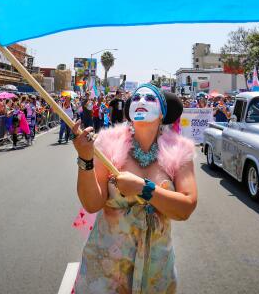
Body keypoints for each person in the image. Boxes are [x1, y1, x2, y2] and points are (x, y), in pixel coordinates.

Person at [71, 84, 197, 292]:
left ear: (162, 113)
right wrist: (85, 158)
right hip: (106, 269)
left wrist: (143, 188)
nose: (140, 101)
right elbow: (91, 204)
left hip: (156, 271)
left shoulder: (179, 151)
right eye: (136, 98)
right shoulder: (107, 145)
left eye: (149, 99)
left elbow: (186, 208)